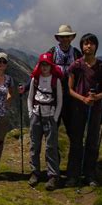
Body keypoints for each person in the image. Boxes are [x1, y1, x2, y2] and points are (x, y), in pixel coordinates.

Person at [66, 33, 102, 187]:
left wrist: (96, 97)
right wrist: (83, 98)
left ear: (96, 46)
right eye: (85, 44)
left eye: (91, 44)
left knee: (92, 141)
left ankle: (89, 174)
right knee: (76, 141)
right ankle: (73, 174)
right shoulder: (76, 65)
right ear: (82, 46)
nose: (88, 46)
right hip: (79, 107)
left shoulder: (101, 66)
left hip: (95, 108)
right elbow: (69, 90)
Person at [27, 52, 63, 190]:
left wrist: (55, 117)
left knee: (51, 146)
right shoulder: (35, 79)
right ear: (39, 65)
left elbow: (60, 101)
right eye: (42, 64)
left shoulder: (56, 81)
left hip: (50, 116)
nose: (44, 67)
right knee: (35, 145)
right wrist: (31, 113)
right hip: (37, 114)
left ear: (51, 65)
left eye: (47, 64)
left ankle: (53, 176)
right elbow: (30, 97)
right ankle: (35, 173)